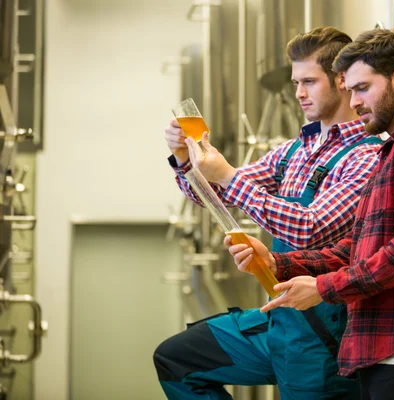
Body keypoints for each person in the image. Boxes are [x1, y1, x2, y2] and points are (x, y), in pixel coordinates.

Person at [227, 28, 394, 400]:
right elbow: (357, 250)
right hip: (384, 353)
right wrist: (279, 263)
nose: (354, 101)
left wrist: (323, 288)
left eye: (361, 88)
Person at [154, 26, 382, 399]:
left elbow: (311, 227)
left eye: (309, 81)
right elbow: (213, 194)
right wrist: (186, 159)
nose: (298, 93)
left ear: (343, 81)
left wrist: (226, 174)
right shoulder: (294, 151)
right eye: (296, 82)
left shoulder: (367, 155)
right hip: (279, 320)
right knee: (177, 360)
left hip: (326, 333)